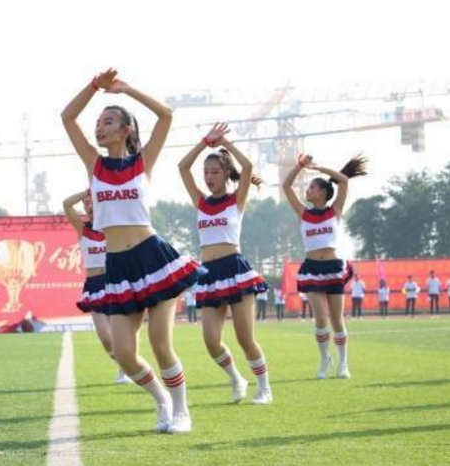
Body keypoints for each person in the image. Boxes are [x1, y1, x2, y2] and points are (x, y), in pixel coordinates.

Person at [62, 69, 203, 433]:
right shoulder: (94, 164)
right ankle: (162, 401)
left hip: (152, 258)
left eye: (108, 122)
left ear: (126, 130)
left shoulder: (142, 161)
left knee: (160, 343)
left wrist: (128, 90)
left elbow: (166, 115)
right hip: (118, 265)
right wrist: (93, 87)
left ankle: (182, 411)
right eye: (97, 123)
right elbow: (67, 117)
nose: (99, 128)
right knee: (124, 353)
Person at [179, 122, 271, 405]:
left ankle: (264, 387)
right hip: (208, 274)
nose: (208, 177)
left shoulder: (236, 199)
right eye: (206, 172)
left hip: (235, 270)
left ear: (226, 173)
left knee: (245, 337)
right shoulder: (200, 201)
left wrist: (226, 144)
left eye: (214, 172)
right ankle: (236, 378)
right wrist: (204, 142)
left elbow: (248, 166)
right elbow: (183, 167)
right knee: (211, 340)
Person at [284, 153, 367, 380]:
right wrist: (300, 166)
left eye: (312, 187)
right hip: (312, 268)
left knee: (337, 320)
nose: (307, 190)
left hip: (333, 268)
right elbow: (286, 186)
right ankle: (324, 359)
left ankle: (343, 363)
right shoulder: (303, 212)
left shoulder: (334, 210)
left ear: (322, 192)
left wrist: (319, 168)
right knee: (321, 318)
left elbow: (344, 181)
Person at [64, 189, 132, 385]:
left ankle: (128, 369)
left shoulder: (112, 227)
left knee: (121, 334)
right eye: (86, 203)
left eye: (92, 201)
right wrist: (87, 191)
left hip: (115, 283)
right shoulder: (82, 228)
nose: (89, 206)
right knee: (106, 338)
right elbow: (67, 204)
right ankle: (124, 366)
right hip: (94, 285)